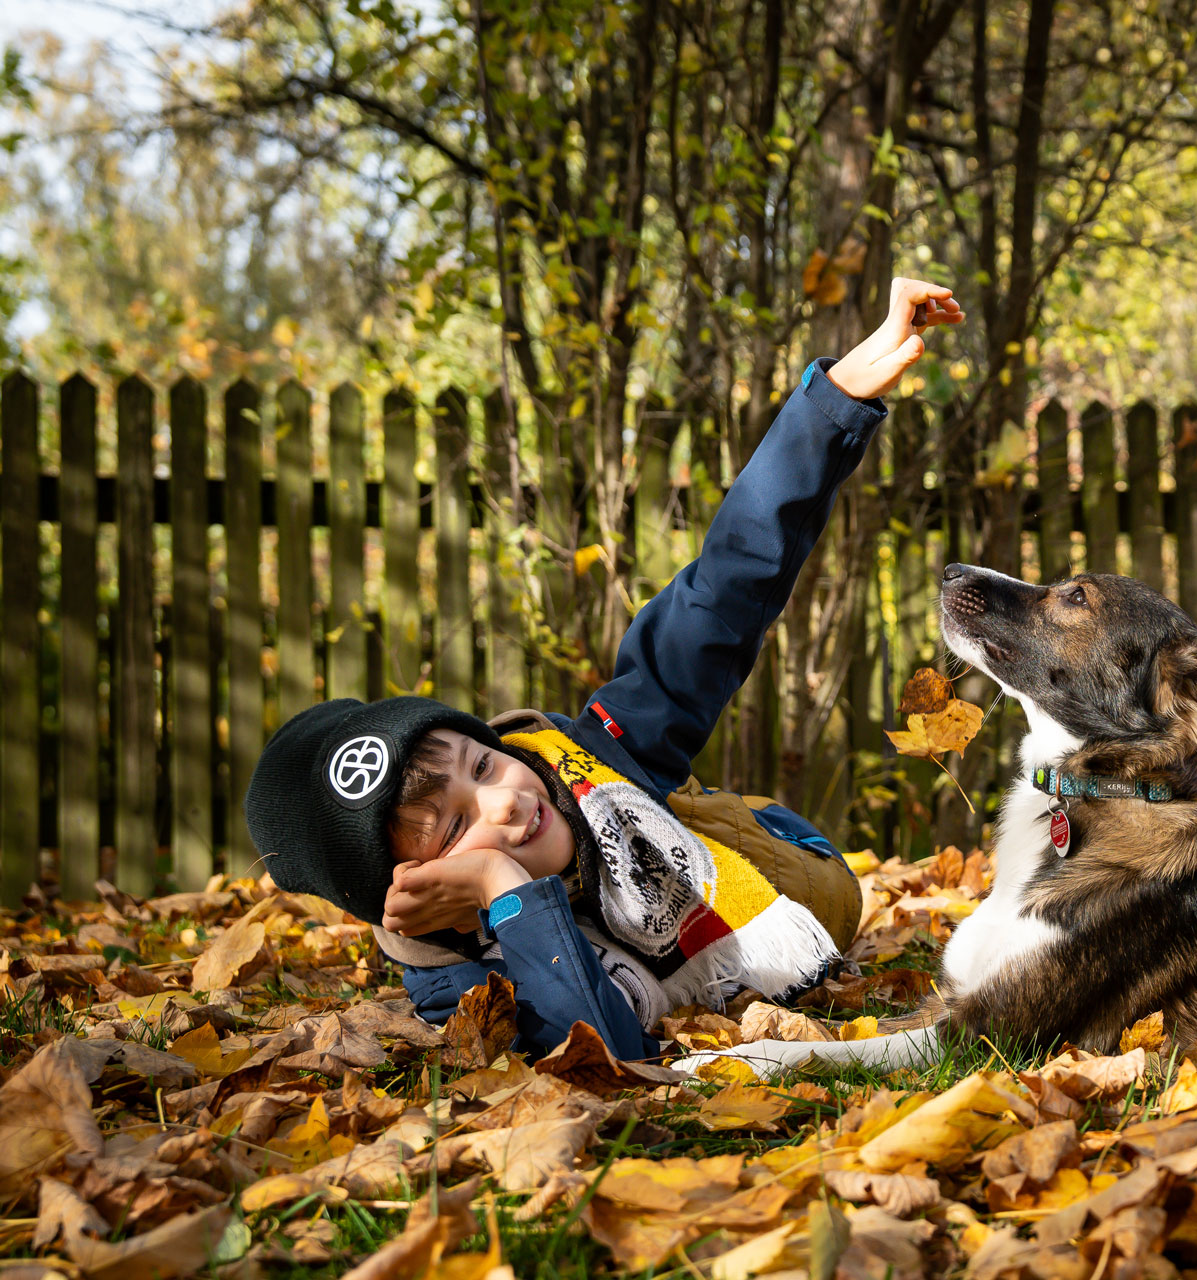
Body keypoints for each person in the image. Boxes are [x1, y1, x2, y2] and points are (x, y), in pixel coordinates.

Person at [243, 277, 964, 1059]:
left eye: (484, 764)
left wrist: (832, 404)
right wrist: (501, 889)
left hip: (783, 864)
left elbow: (721, 593)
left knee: (706, 775)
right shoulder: (449, 976)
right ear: (412, 893)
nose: (506, 803)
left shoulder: (599, 754)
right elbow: (596, 1050)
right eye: (456, 826)